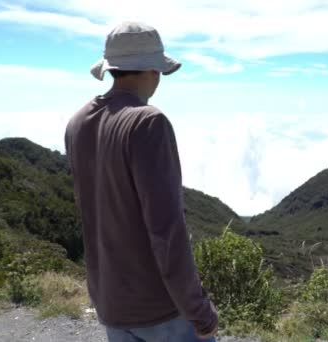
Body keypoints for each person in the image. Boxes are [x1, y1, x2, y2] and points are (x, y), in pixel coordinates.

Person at [64, 21, 219, 342]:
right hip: (160, 309)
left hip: (112, 304)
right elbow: (167, 230)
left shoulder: (77, 122)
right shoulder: (148, 122)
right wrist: (200, 312)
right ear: (152, 69)